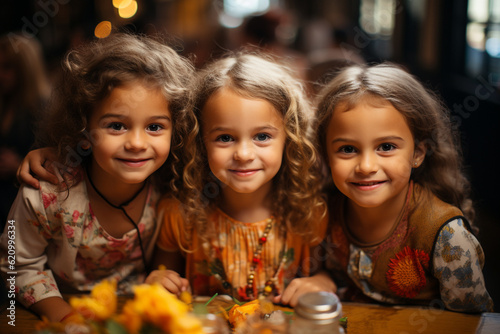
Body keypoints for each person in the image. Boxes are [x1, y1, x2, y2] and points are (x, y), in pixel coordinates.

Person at [0, 32, 194, 322]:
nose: (137, 143)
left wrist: (159, 280)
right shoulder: (47, 191)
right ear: (83, 131)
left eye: (155, 127)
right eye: (116, 125)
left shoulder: (170, 185)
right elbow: (16, 263)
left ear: (174, 131)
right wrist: (66, 318)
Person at [145, 53, 336, 307]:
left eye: (262, 136)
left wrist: (324, 282)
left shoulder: (309, 214)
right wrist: (158, 282)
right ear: (199, 143)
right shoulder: (179, 215)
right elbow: (164, 281)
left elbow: (320, 273)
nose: (244, 154)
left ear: (290, 139)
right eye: (225, 138)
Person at [315, 63, 493, 312]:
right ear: (325, 154)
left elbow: (475, 322)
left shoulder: (447, 237)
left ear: (418, 153)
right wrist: (323, 279)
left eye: (386, 147)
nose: (366, 166)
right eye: (347, 149)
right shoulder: (325, 210)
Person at [0, 33, 51, 232]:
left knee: (13, 259)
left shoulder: (44, 112)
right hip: (5, 202)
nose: (1, 75)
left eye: (7, 68)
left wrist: (18, 166)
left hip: (25, 208)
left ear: (26, 70)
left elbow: (57, 173)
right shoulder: (5, 103)